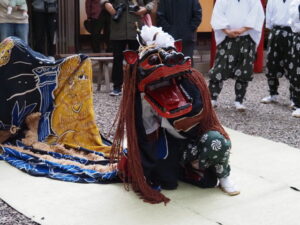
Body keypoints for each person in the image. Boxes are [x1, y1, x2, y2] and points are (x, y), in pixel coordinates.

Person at [112, 26, 240, 204]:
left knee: (217, 141)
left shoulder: (192, 80)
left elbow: (202, 116)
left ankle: (221, 174)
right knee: (168, 182)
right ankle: (176, 169)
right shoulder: (141, 92)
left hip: (191, 141)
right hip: (166, 145)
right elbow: (146, 130)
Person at [208, 0, 265, 111]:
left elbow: (257, 15)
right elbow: (217, 15)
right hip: (227, 37)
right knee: (219, 68)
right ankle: (213, 98)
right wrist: (226, 31)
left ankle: (239, 100)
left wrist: (242, 29)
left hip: (247, 38)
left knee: (244, 70)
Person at [101, 0, 155, 96]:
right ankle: (117, 87)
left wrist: (146, 8)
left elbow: (153, 2)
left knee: (137, 60)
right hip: (118, 28)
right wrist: (106, 3)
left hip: (136, 27)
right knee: (117, 59)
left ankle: (136, 85)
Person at [261, 0, 297, 115]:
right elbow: (269, 16)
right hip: (276, 32)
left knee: (292, 65)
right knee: (272, 63)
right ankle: (273, 93)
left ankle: (293, 98)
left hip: (291, 33)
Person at [287, 0, 300, 117]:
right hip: (298, 38)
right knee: (296, 71)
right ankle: (297, 103)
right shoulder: (295, 2)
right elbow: (293, 22)